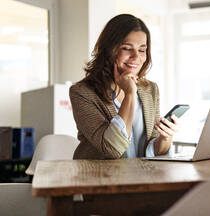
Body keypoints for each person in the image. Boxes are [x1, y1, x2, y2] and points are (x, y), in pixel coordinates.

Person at [69, 14, 179, 159]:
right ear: (109, 49)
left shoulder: (150, 90)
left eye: (142, 50)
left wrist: (165, 138)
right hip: (99, 178)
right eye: (127, 48)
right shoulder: (82, 93)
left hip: (140, 177)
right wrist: (130, 94)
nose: (136, 57)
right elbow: (112, 149)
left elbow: (153, 149)